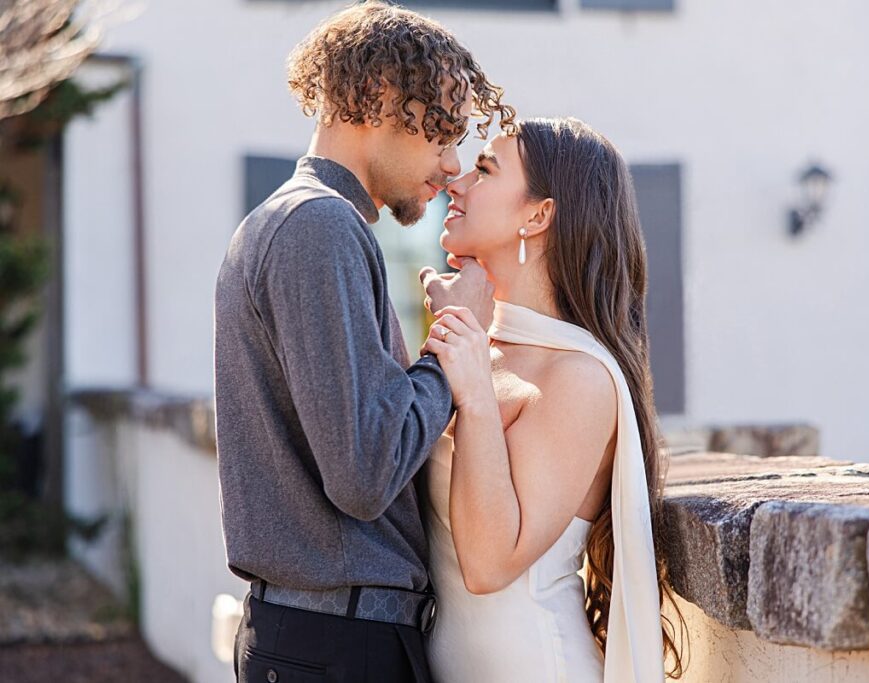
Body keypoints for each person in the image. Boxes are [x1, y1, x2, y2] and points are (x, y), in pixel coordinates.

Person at [213, 3, 513, 681]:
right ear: (378, 98)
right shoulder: (319, 226)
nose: (451, 162)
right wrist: (452, 341)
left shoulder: (295, 222)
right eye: (440, 132)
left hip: (320, 638)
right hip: (337, 645)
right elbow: (364, 470)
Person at [418, 117, 686, 682]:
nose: (456, 183)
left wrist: (469, 384)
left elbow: (489, 564)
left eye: (486, 169)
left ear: (538, 215)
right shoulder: (478, 350)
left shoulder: (581, 378)